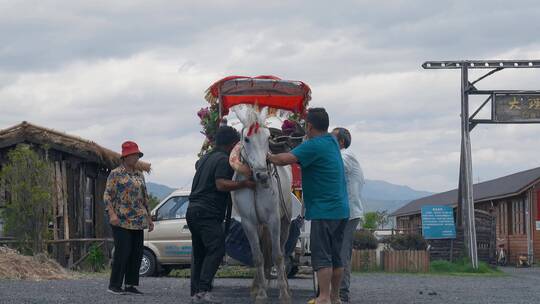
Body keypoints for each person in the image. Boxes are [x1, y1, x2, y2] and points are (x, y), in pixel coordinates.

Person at [268, 108, 349, 304]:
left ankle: (322, 298)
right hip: (341, 210)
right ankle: (335, 297)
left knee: (322, 257)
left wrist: (266, 155)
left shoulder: (314, 145)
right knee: (337, 258)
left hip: (324, 211)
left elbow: (283, 159)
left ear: (310, 126)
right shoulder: (331, 141)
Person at [187, 126, 256, 304]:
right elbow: (221, 184)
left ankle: (195, 293)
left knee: (200, 252)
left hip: (193, 210)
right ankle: (203, 290)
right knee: (216, 249)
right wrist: (246, 184)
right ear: (233, 145)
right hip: (207, 212)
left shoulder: (205, 158)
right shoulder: (224, 159)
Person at [104, 141, 154, 295]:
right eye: (132, 154)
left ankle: (131, 284)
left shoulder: (139, 175)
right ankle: (114, 285)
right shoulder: (115, 173)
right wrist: (111, 214)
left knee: (136, 252)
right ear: (125, 157)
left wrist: (149, 218)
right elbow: (107, 195)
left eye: (137, 155)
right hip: (121, 220)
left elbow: (145, 197)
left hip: (138, 220)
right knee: (122, 252)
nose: (135, 157)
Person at [332, 127, 365, 303]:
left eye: (332, 139)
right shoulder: (346, 156)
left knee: (342, 253)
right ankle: (338, 292)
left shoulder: (345, 156)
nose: (329, 142)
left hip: (349, 213)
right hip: (348, 212)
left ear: (341, 142)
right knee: (340, 252)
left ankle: (342, 293)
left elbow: (334, 166)